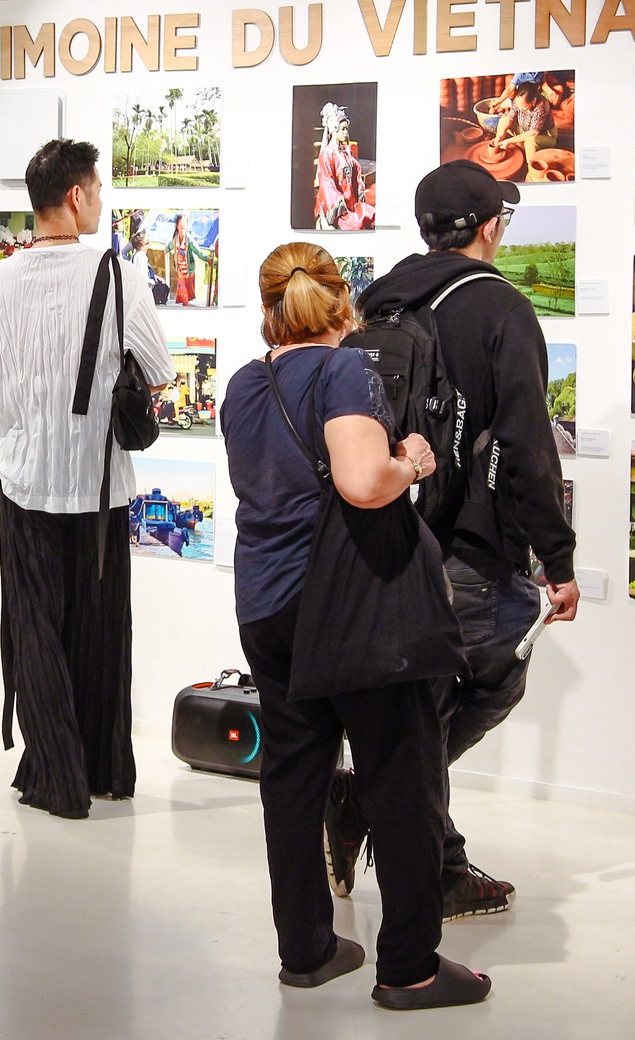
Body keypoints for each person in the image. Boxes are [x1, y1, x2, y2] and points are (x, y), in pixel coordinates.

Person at [221, 243, 490, 1008]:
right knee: (400, 776)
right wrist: (413, 462)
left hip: (265, 603)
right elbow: (364, 482)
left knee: (293, 775)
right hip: (348, 603)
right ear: (344, 303)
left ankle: (306, 950)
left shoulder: (243, 383)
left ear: (269, 308)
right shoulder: (345, 370)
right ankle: (410, 968)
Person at [351, 161, 580, 919]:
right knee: (493, 675)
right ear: (488, 226)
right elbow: (528, 442)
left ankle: (416, 838)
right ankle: (387, 815)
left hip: (391, 530)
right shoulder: (501, 307)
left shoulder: (382, 298)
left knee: (426, 699)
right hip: (471, 543)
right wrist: (558, 558)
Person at [0, 138, 175, 819]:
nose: (102, 201)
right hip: (100, 483)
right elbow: (159, 371)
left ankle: (55, 775)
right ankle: (104, 768)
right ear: (77, 196)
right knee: (101, 629)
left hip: (23, 478)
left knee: (35, 627)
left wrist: (28, 387)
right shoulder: (122, 278)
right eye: (99, 189)